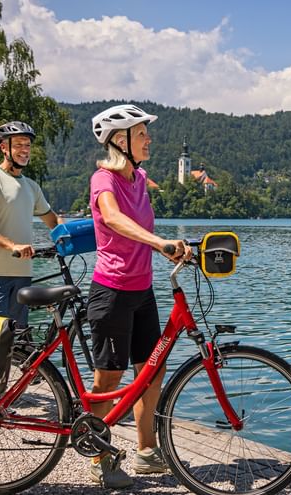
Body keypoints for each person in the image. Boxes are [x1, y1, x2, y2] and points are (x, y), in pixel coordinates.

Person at [86, 104, 192, 489]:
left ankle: (147, 452)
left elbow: (142, 224)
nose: (149, 139)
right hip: (111, 292)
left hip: (142, 290)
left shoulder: (139, 177)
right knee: (108, 379)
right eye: (142, 133)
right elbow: (113, 219)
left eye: (146, 133)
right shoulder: (103, 179)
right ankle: (99, 457)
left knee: (151, 372)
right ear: (120, 139)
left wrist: (180, 245)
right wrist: (159, 242)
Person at [0, 121, 63, 328]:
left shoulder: (31, 186)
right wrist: (13, 246)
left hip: (24, 274)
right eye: (19, 144)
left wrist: (72, 237)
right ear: (4, 147)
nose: (24, 150)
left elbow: (53, 220)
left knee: (18, 340)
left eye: (27, 145)